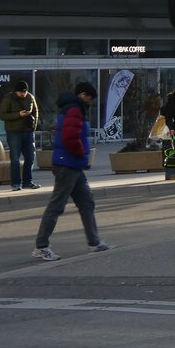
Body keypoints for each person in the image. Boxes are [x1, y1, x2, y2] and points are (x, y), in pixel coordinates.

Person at [32, 81, 109, 260]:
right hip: (68, 164)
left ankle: (95, 242)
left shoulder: (72, 109)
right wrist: (82, 152)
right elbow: (70, 137)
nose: (91, 101)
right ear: (83, 95)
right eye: (90, 97)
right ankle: (41, 246)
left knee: (87, 202)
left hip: (72, 164)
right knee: (57, 205)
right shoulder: (74, 110)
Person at [0, 79, 40, 191]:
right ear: (16, 91)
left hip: (28, 131)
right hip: (14, 132)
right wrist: (18, 115)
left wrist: (33, 127)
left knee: (31, 156)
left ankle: (28, 182)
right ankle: (16, 183)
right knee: (15, 159)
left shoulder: (30, 97)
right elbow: (2, 115)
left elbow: (36, 112)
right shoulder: (8, 98)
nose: (23, 94)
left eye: (25, 91)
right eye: (21, 92)